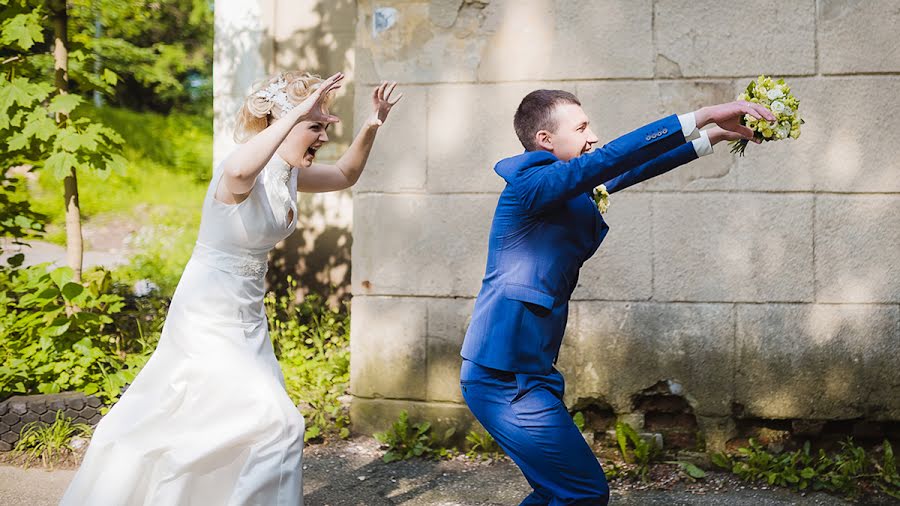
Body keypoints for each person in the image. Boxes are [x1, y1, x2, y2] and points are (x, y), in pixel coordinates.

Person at [60, 71, 401, 505]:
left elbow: (346, 175)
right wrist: (298, 110)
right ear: (282, 125)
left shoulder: (287, 174)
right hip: (207, 310)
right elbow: (241, 166)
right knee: (278, 425)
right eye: (315, 126)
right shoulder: (241, 174)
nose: (322, 136)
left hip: (246, 314)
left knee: (212, 423)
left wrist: (373, 123)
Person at [459, 89, 774, 505]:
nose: (593, 136)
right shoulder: (532, 184)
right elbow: (609, 160)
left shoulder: (564, 185)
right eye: (582, 127)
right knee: (583, 492)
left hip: (530, 369)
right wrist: (702, 114)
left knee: (558, 491)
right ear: (545, 139)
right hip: (503, 376)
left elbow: (628, 168)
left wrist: (712, 136)